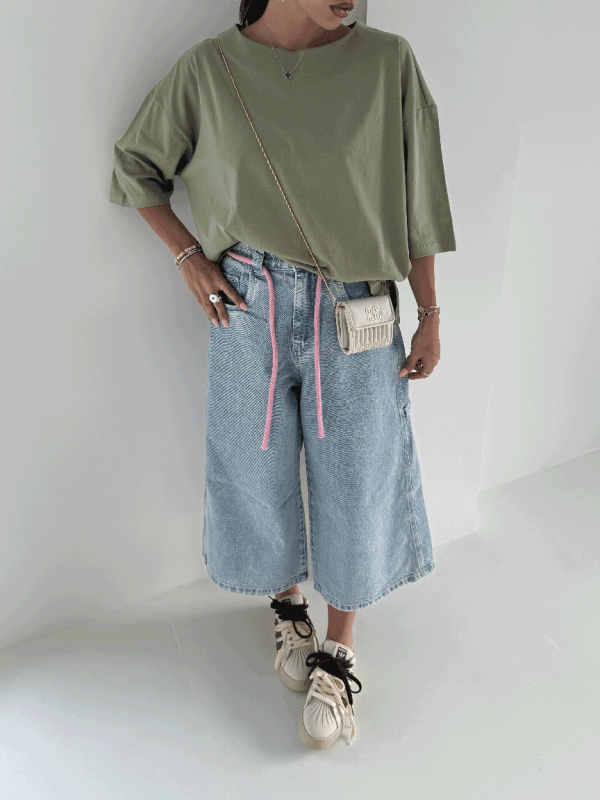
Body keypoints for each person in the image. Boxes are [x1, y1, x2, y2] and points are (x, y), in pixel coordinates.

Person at [109, 0, 456, 750]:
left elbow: (420, 196)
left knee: (359, 475)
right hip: (247, 301)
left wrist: (430, 311)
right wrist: (187, 258)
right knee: (252, 465)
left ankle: (341, 647)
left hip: (355, 307)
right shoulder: (210, 70)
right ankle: (287, 604)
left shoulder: (387, 62)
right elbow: (134, 166)